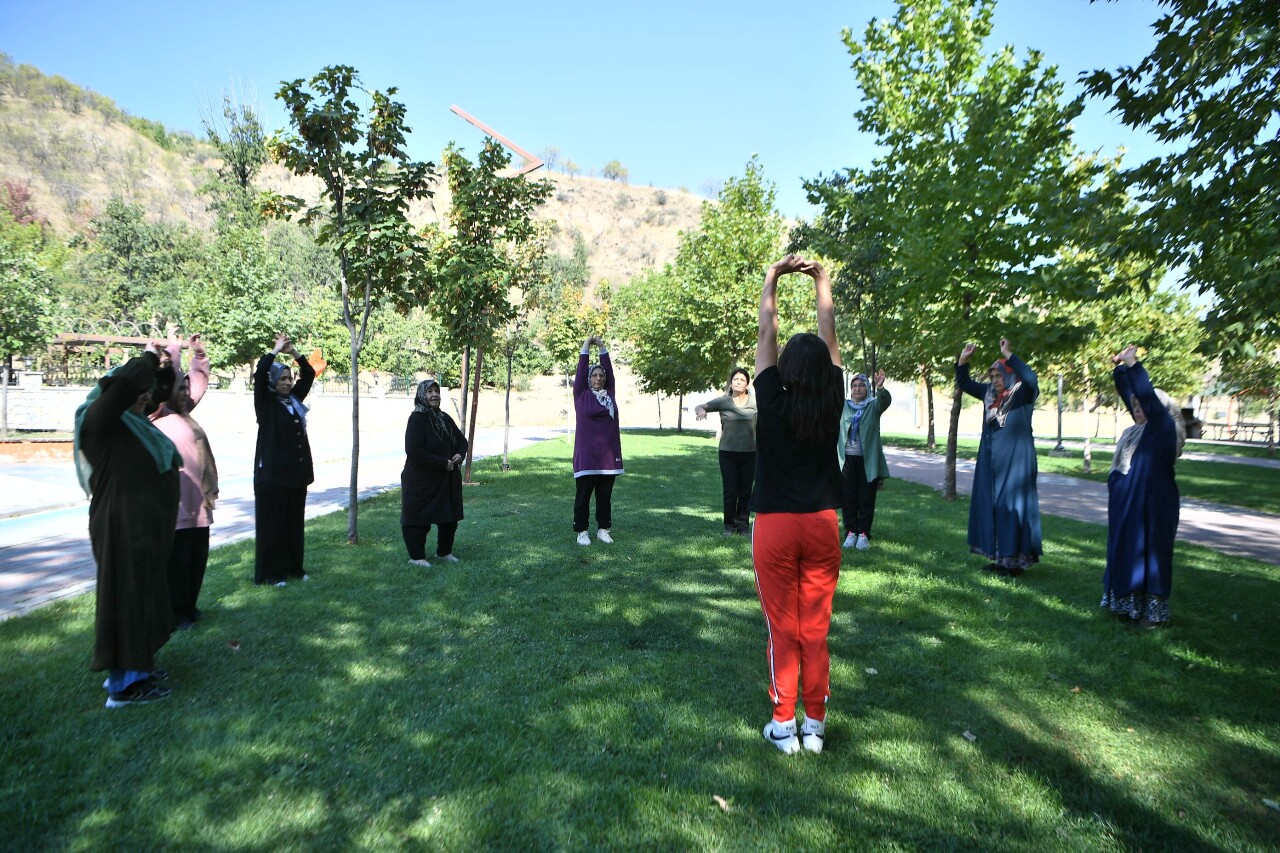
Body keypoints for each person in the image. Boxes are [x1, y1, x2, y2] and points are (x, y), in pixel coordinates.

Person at [750, 254, 845, 755]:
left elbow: (767, 329)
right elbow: (828, 333)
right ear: (826, 370)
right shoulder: (832, 397)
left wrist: (772, 277)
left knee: (783, 627)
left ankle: (783, 723)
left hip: (777, 528)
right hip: (824, 525)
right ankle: (816, 726)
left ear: (785, 366)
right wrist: (822, 281)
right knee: (816, 627)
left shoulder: (769, 394)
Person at [75, 347, 181, 707]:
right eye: (139, 393)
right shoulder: (98, 422)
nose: (146, 398)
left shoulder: (131, 425)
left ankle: (140, 668)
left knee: (144, 598)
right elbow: (125, 385)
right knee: (127, 601)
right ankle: (124, 687)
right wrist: (148, 358)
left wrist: (170, 363)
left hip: (142, 530)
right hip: (121, 528)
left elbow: (162, 393)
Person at [1101, 344, 1185, 627]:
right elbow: (1132, 395)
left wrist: (1133, 364)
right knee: (1127, 553)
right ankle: (1127, 605)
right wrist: (1120, 370)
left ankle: (1152, 614)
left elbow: (1145, 395)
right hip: (1129, 508)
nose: (1136, 408)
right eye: (1134, 406)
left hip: (1153, 507)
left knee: (1150, 555)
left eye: (1142, 405)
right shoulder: (1136, 431)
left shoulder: (1162, 430)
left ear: (1159, 409)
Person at [956, 338, 1042, 576]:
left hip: (1016, 462)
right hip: (990, 461)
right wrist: (963, 360)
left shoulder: (1023, 393)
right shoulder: (988, 395)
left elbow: (1032, 378)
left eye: (999, 375)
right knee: (991, 506)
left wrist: (1008, 354)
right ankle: (997, 558)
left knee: (1010, 507)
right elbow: (964, 382)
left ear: (1010, 375)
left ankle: (1013, 562)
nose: (995, 380)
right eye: (992, 376)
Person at [151, 334, 219, 628]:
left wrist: (199, 353)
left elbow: (198, 381)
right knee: (176, 563)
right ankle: (175, 613)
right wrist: (172, 352)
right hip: (173, 506)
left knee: (195, 558)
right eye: (180, 388)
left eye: (186, 388)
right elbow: (167, 380)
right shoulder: (156, 414)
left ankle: (189, 607)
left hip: (197, 504)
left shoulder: (184, 413)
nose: (185, 391)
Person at [253, 333, 315, 586]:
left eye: (290, 378)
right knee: (273, 527)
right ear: (274, 382)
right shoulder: (266, 404)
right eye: (283, 378)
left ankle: (294, 569)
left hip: (295, 475)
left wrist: (294, 353)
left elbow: (309, 374)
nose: (288, 382)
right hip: (273, 477)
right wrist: (275, 351)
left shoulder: (294, 401)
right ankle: (271, 573)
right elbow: (259, 375)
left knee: (293, 525)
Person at [401, 378, 468, 567]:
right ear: (422, 395)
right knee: (417, 519)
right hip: (421, 479)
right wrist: (442, 463)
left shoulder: (444, 418)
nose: (434, 395)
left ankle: (444, 552)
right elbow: (413, 450)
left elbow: (462, 441)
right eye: (429, 392)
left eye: (436, 391)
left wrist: (459, 455)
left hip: (446, 478)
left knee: (449, 516)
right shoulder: (416, 419)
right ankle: (417, 557)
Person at [572, 334, 623, 545]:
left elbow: (609, 371)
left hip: (608, 458)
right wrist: (586, 345)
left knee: (605, 497)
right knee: (583, 496)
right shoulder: (581, 394)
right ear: (589, 379)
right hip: (586, 457)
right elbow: (582, 368)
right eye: (595, 376)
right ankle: (582, 532)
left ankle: (603, 529)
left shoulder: (609, 393)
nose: (599, 378)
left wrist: (602, 346)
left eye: (601, 376)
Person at [694, 367, 757, 536]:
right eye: (736, 379)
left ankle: (743, 526)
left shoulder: (754, 402)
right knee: (730, 491)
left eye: (742, 380)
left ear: (747, 384)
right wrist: (700, 411)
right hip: (728, 453)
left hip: (750, 453)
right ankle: (729, 526)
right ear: (731, 382)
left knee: (745, 492)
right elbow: (701, 406)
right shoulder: (723, 401)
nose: (738, 382)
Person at [838, 370, 891, 550]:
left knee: (866, 498)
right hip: (847, 461)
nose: (857, 389)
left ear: (867, 388)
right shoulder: (843, 406)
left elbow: (885, 400)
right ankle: (851, 532)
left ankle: (863, 534)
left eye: (861, 385)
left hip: (868, 462)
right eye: (854, 386)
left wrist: (881, 387)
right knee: (848, 498)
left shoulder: (873, 406)